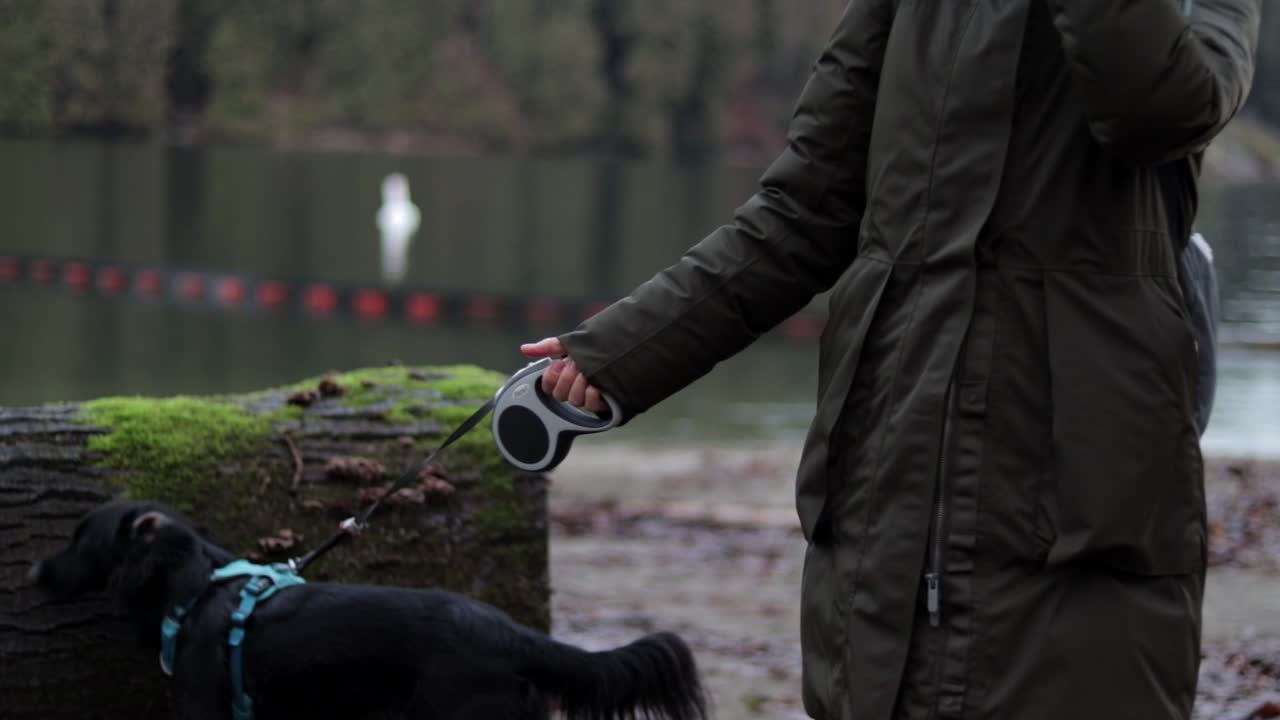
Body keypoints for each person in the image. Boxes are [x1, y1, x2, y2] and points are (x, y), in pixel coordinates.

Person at [522, 1, 1261, 718]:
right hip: (885, 535)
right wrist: (620, 352)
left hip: (1079, 547)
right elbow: (804, 211)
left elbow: (1154, 109)